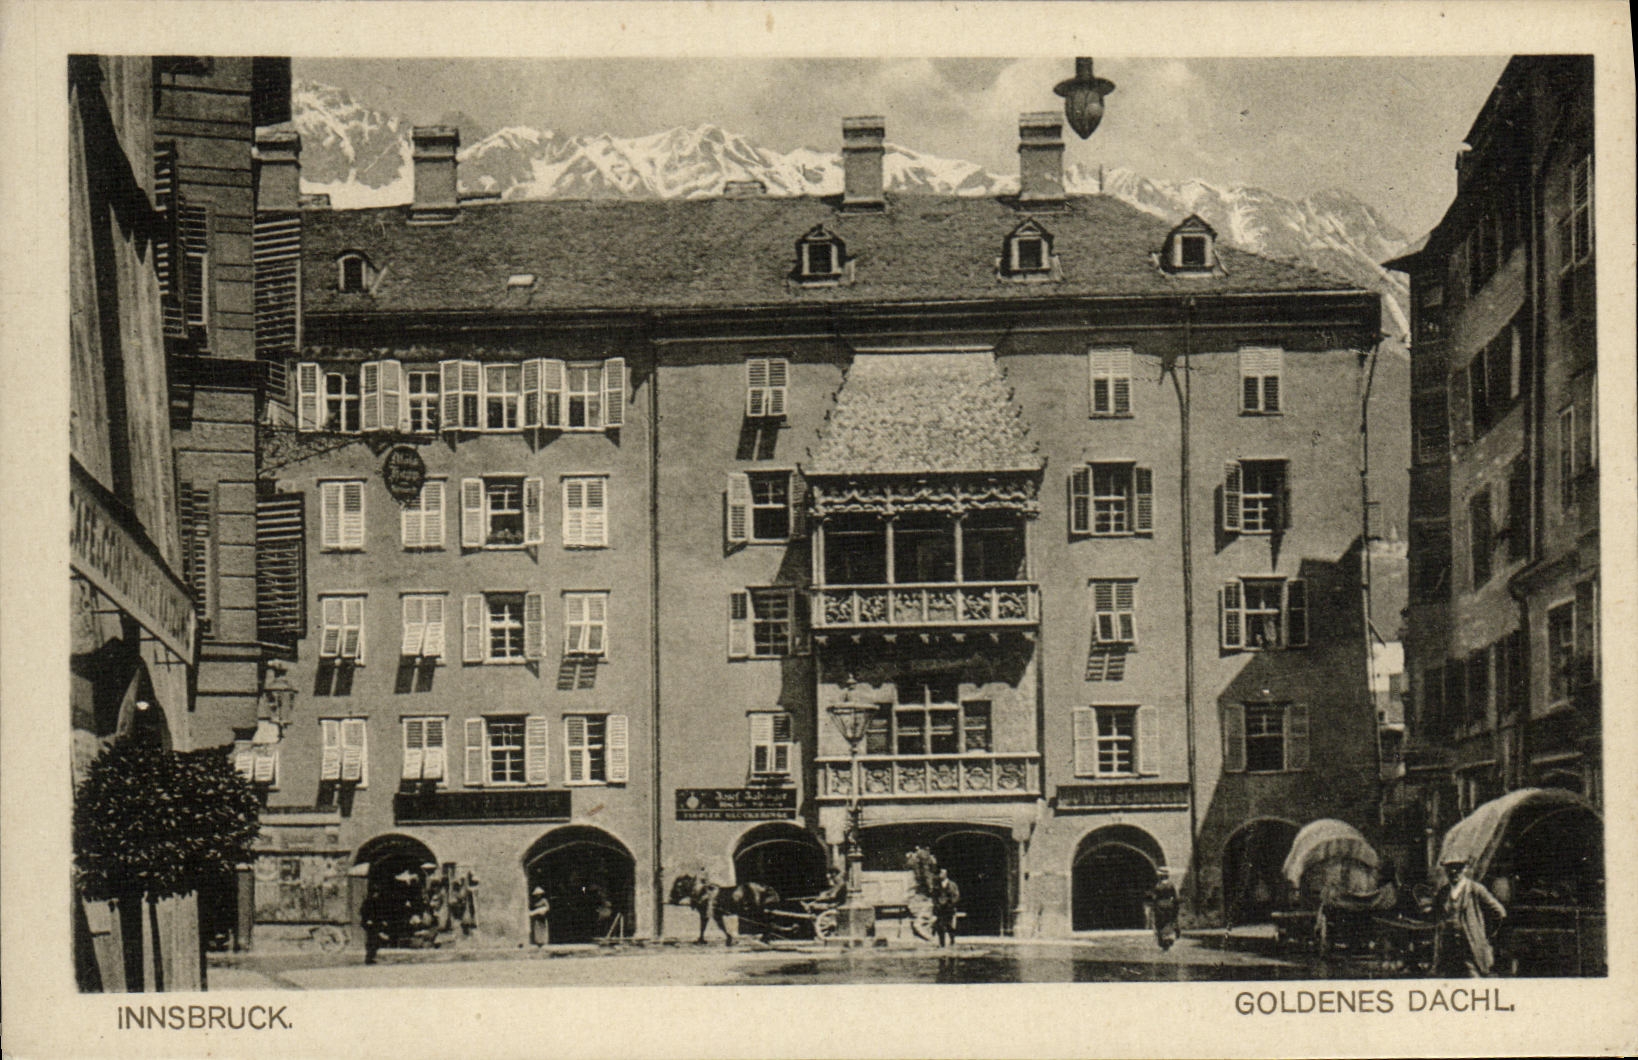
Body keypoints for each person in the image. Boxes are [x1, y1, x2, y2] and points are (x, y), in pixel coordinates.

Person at [1437, 859, 1507, 976]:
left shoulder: (1475, 889)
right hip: (1449, 950)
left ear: (1465, 869)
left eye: (1458, 867)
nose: (1453, 871)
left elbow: (1499, 912)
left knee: (1473, 980)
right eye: (1449, 868)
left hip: (1471, 948)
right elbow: (1437, 916)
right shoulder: (1443, 892)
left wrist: (1485, 933)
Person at [1151, 868, 1181, 951]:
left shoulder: (1158, 886)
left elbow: (1154, 898)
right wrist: (1175, 905)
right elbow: (1175, 897)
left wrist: (1154, 906)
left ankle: (1163, 939)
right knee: (1169, 921)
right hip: (1169, 905)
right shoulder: (1171, 885)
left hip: (1160, 905)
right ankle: (1168, 937)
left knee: (1160, 922)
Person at [931, 869, 961, 947]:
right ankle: (942, 944)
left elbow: (956, 896)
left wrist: (951, 904)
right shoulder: (937, 885)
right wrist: (936, 904)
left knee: (949, 925)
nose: (940, 875)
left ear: (946, 874)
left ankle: (952, 940)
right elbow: (934, 896)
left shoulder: (952, 885)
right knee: (940, 926)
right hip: (940, 909)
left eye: (942, 873)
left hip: (949, 908)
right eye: (940, 873)